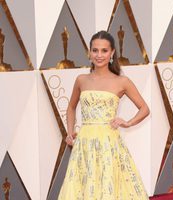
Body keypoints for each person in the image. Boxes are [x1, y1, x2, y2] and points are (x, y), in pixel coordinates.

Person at [58, 30, 150, 200]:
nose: (99, 55)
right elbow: (71, 108)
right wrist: (69, 132)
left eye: (104, 51)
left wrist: (128, 123)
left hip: (109, 144)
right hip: (84, 143)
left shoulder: (122, 82)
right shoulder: (81, 80)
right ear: (89, 52)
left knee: (108, 187)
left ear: (112, 53)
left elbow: (144, 108)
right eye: (95, 50)